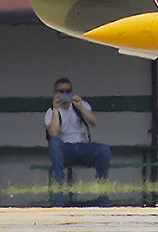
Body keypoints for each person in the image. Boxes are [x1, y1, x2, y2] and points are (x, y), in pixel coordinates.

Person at [44, 77, 111, 206]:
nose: (65, 94)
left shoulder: (81, 105)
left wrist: (80, 107)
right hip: (65, 151)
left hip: (84, 148)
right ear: (55, 93)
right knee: (54, 144)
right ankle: (60, 189)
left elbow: (94, 122)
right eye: (61, 91)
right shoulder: (51, 111)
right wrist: (56, 108)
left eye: (68, 91)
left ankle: (102, 191)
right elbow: (53, 134)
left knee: (104, 150)